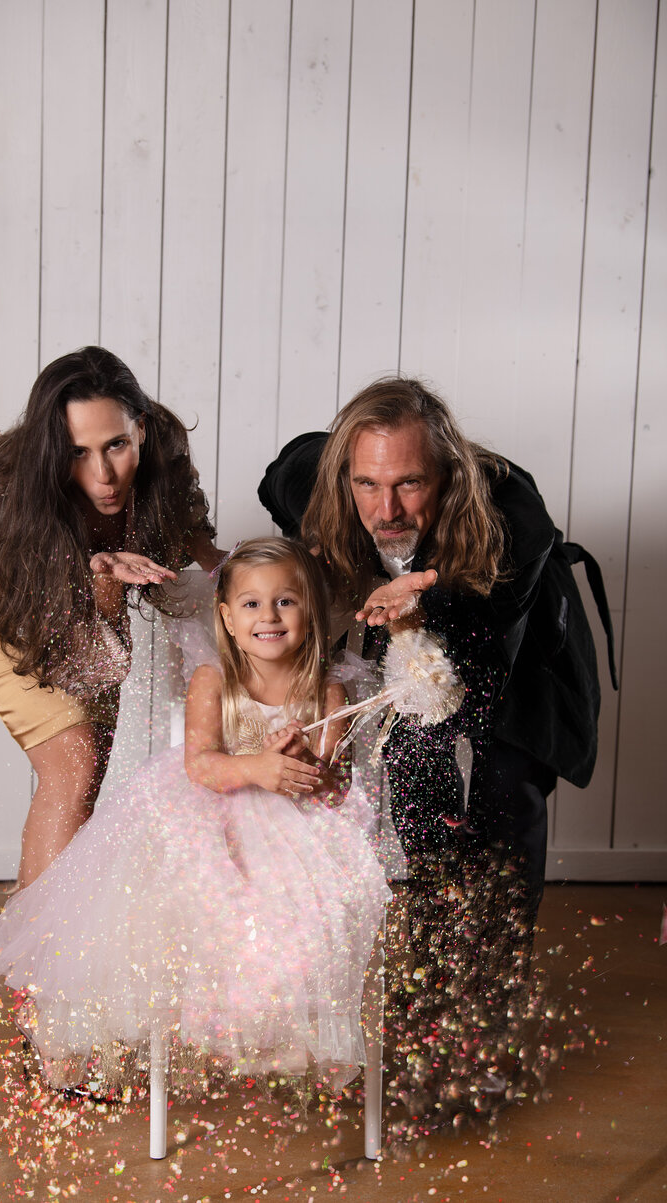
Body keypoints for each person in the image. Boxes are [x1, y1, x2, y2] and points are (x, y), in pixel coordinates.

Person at [258, 378, 614, 1129]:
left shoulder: (511, 511)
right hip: (413, 676)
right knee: (414, 832)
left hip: (514, 671)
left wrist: (433, 595)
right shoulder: (322, 481)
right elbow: (284, 470)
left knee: (502, 826)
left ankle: (484, 1040)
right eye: (368, 484)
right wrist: (325, 537)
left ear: (446, 473)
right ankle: (417, 1037)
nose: (386, 510)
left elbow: (495, 616)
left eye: (409, 484)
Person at [0, 538, 391, 1094]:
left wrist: (304, 764)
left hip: (295, 824)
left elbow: (335, 785)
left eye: (285, 602)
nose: (268, 617)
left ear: (310, 611)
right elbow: (202, 765)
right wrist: (258, 767)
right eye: (251, 604)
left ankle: (285, 1028)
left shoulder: (326, 689)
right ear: (227, 615)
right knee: (181, 891)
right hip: (214, 812)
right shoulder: (213, 681)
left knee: (323, 899)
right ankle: (193, 1024)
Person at [0, 346, 219, 888]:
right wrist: (93, 571)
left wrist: (212, 557)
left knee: (89, 773)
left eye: (116, 444)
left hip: (90, 584)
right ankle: (31, 965)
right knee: (72, 761)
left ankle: (54, 941)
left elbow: (185, 519)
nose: (104, 474)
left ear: (142, 428)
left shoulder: (165, 450)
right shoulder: (7, 499)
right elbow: (45, 604)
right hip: (1, 587)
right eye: (77, 452)